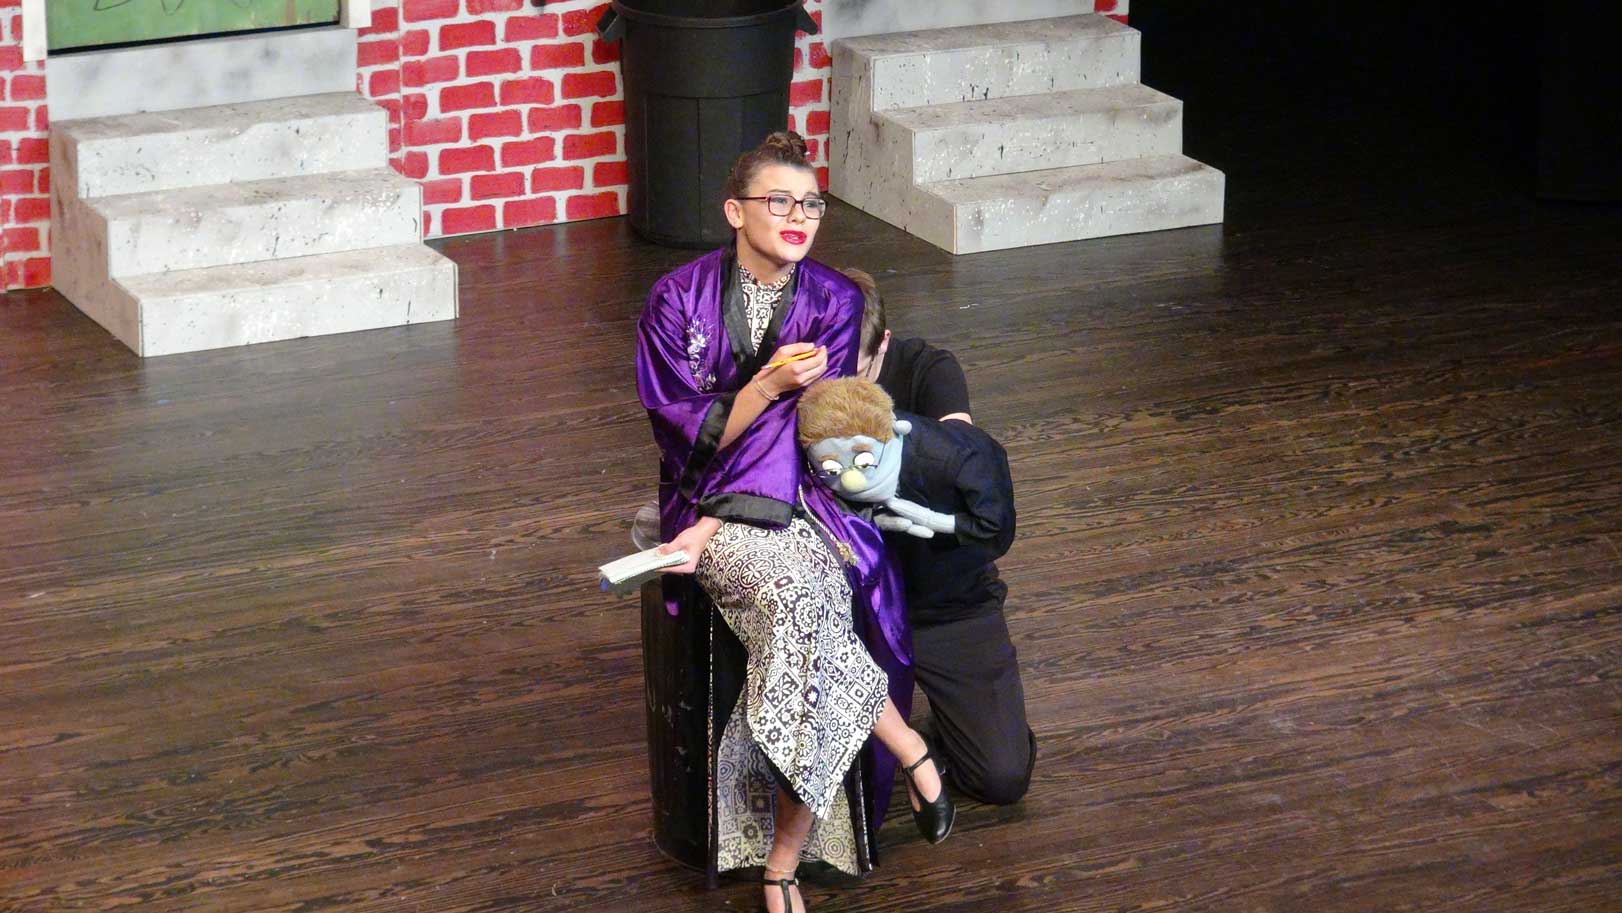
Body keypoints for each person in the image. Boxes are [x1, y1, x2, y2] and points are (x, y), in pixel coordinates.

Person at [635, 132, 951, 913]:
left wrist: (718, 519)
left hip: (806, 495)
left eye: (810, 203)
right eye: (779, 200)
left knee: (810, 596)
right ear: (734, 211)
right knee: (804, 600)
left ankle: (782, 860)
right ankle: (898, 749)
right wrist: (762, 389)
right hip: (703, 494)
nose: (798, 216)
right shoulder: (676, 299)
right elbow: (677, 425)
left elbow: (806, 428)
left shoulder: (836, 301)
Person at [841, 268, 1037, 806]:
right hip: (852, 607)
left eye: (854, 373)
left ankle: (941, 733)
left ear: (882, 345)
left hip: (943, 600)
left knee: (1001, 777)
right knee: (846, 789)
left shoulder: (929, 369)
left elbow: (963, 459)